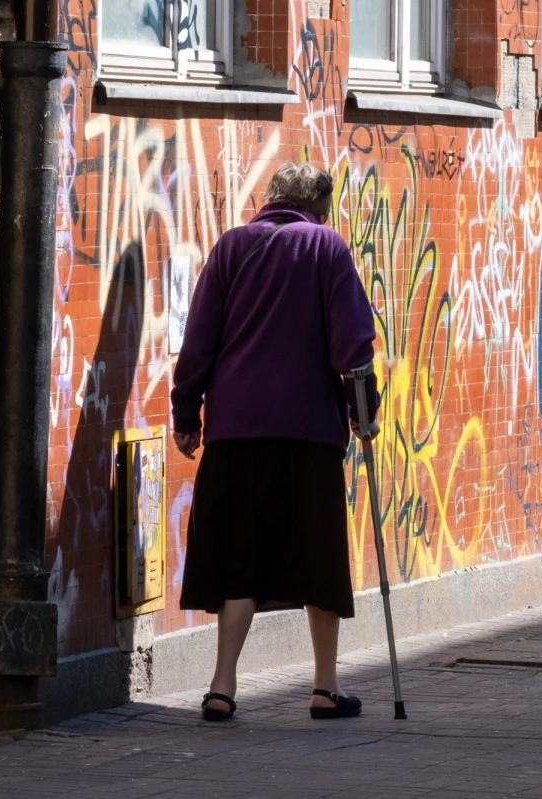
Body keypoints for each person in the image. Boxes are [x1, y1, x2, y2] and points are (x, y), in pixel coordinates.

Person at [171, 162, 381, 722]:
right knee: (317, 555)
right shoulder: (327, 248)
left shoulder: (231, 247)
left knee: (237, 555)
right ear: (320, 206)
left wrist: (186, 414)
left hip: (236, 431)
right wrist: (365, 413)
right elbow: (353, 349)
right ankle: (324, 687)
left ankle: (221, 687)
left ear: (271, 198)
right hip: (308, 432)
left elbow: (199, 342)